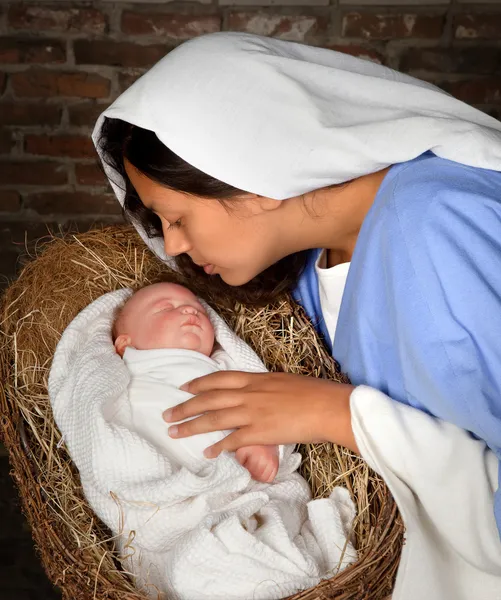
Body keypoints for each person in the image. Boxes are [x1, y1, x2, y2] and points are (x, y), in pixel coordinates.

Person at [92, 32, 501, 599]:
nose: (173, 247)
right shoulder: (314, 261)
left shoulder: (443, 227)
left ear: (248, 174)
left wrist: (341, 417)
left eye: (176, 217)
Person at [113, 280, 279, 483]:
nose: (189, 310)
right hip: (155, 472)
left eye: (200, 310)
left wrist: (265, 443)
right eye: (166, 308)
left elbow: (269, 405)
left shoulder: (224, 366)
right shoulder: (125, 372)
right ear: (124, 344)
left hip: (233, 472)